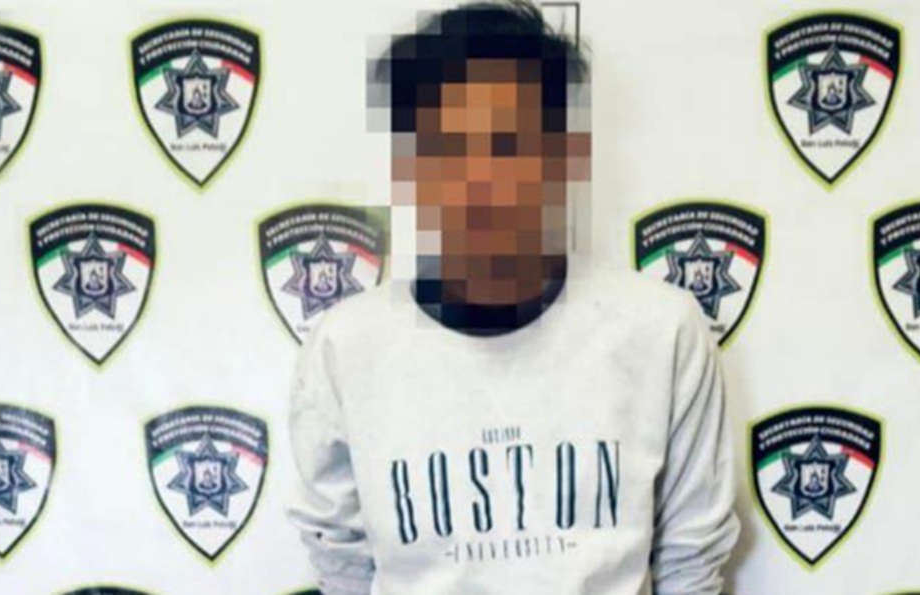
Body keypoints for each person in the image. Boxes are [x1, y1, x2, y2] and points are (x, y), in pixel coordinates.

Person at [287, 2, 739, 593]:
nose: (478, 181)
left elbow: (690, 565)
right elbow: (341, 564)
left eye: (507, 145)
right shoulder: (346, 350)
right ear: (412, 169)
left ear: (562, 159)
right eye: (447, 149)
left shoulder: (661, 334)